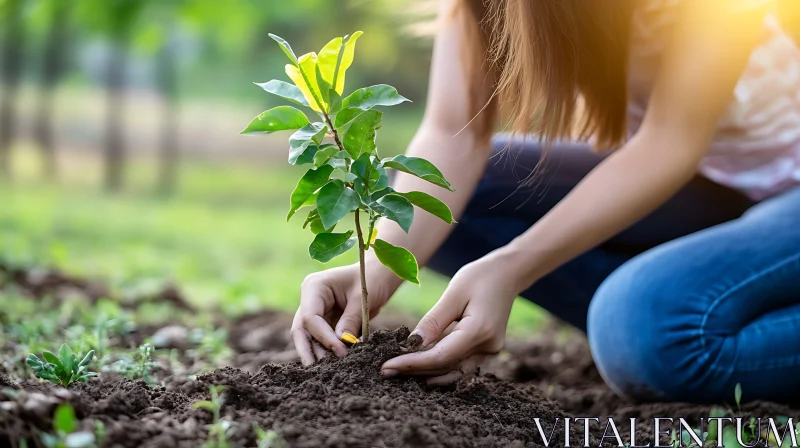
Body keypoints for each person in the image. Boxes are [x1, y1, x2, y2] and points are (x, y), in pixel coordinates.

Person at [291, 0, 800, 403]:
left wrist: (513, 267)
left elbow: (671, 141)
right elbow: (455, 131)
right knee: (457, 199)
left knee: (645, 330)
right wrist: (380, 266)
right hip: (712, 191)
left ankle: (653, 314)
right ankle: (693, 301)